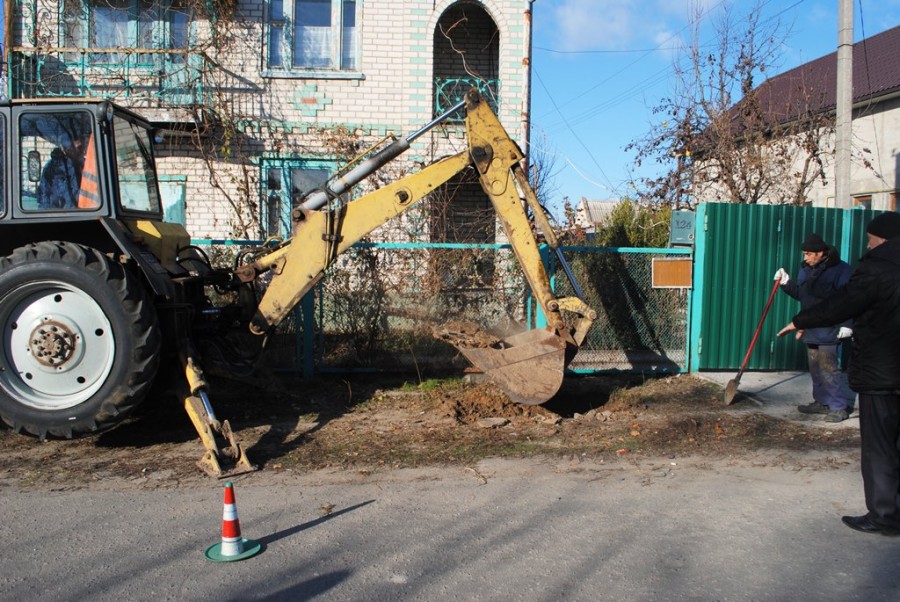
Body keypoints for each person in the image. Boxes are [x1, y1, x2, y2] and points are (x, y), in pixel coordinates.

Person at [777, 211, 900, 536]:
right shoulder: (811, 271)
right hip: (881, 365)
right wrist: (790, 285)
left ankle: (885, 515)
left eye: (870, 238)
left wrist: (801, 321)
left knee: (880, 446)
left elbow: (843, 303)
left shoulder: (871, 269)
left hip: (882, 372)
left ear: (882, 239)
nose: (867, 243)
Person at [773, 233, 855, 422]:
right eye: (804, 254)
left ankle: (838, 407)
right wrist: (786, 283)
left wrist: (847, 324)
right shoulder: (806, 269)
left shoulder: (841, 270)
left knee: (828, 368)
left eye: (808, 254)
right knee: (815, 368)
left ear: (820, 253)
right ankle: (821, 401)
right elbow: (802, 295)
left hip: (831, 326)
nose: (805, 257)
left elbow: (850, 299)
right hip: (810, 326)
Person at [37, 137, 86, 209]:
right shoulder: (54, 166)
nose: (79, 151)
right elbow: (44, 191)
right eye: (73, 147)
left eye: (80, 147)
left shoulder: (85, 165)